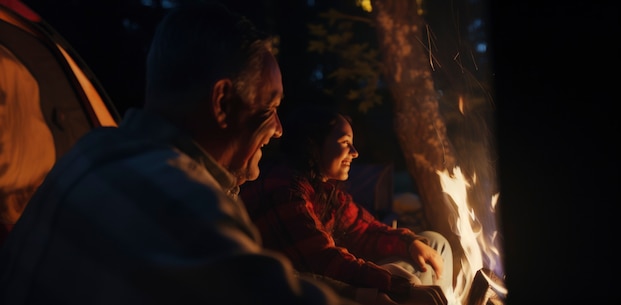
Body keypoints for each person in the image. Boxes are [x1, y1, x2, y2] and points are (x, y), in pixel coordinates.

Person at [0, 3, 358, 305]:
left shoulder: (92, 151)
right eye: (271, 106)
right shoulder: (179, 198)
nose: (279, 128)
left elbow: (245, 271)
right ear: (222, 103)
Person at [240, 103, 454, 305]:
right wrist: (400, 287)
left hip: (336, 282)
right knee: (418, 273)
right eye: (344, 142)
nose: (354, 152)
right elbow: (326, 262)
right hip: (314, 294)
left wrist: (409, 242)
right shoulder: (284, 191)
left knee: (434, 244)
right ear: (313, 144)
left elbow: (364, 229)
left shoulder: (323, 189)